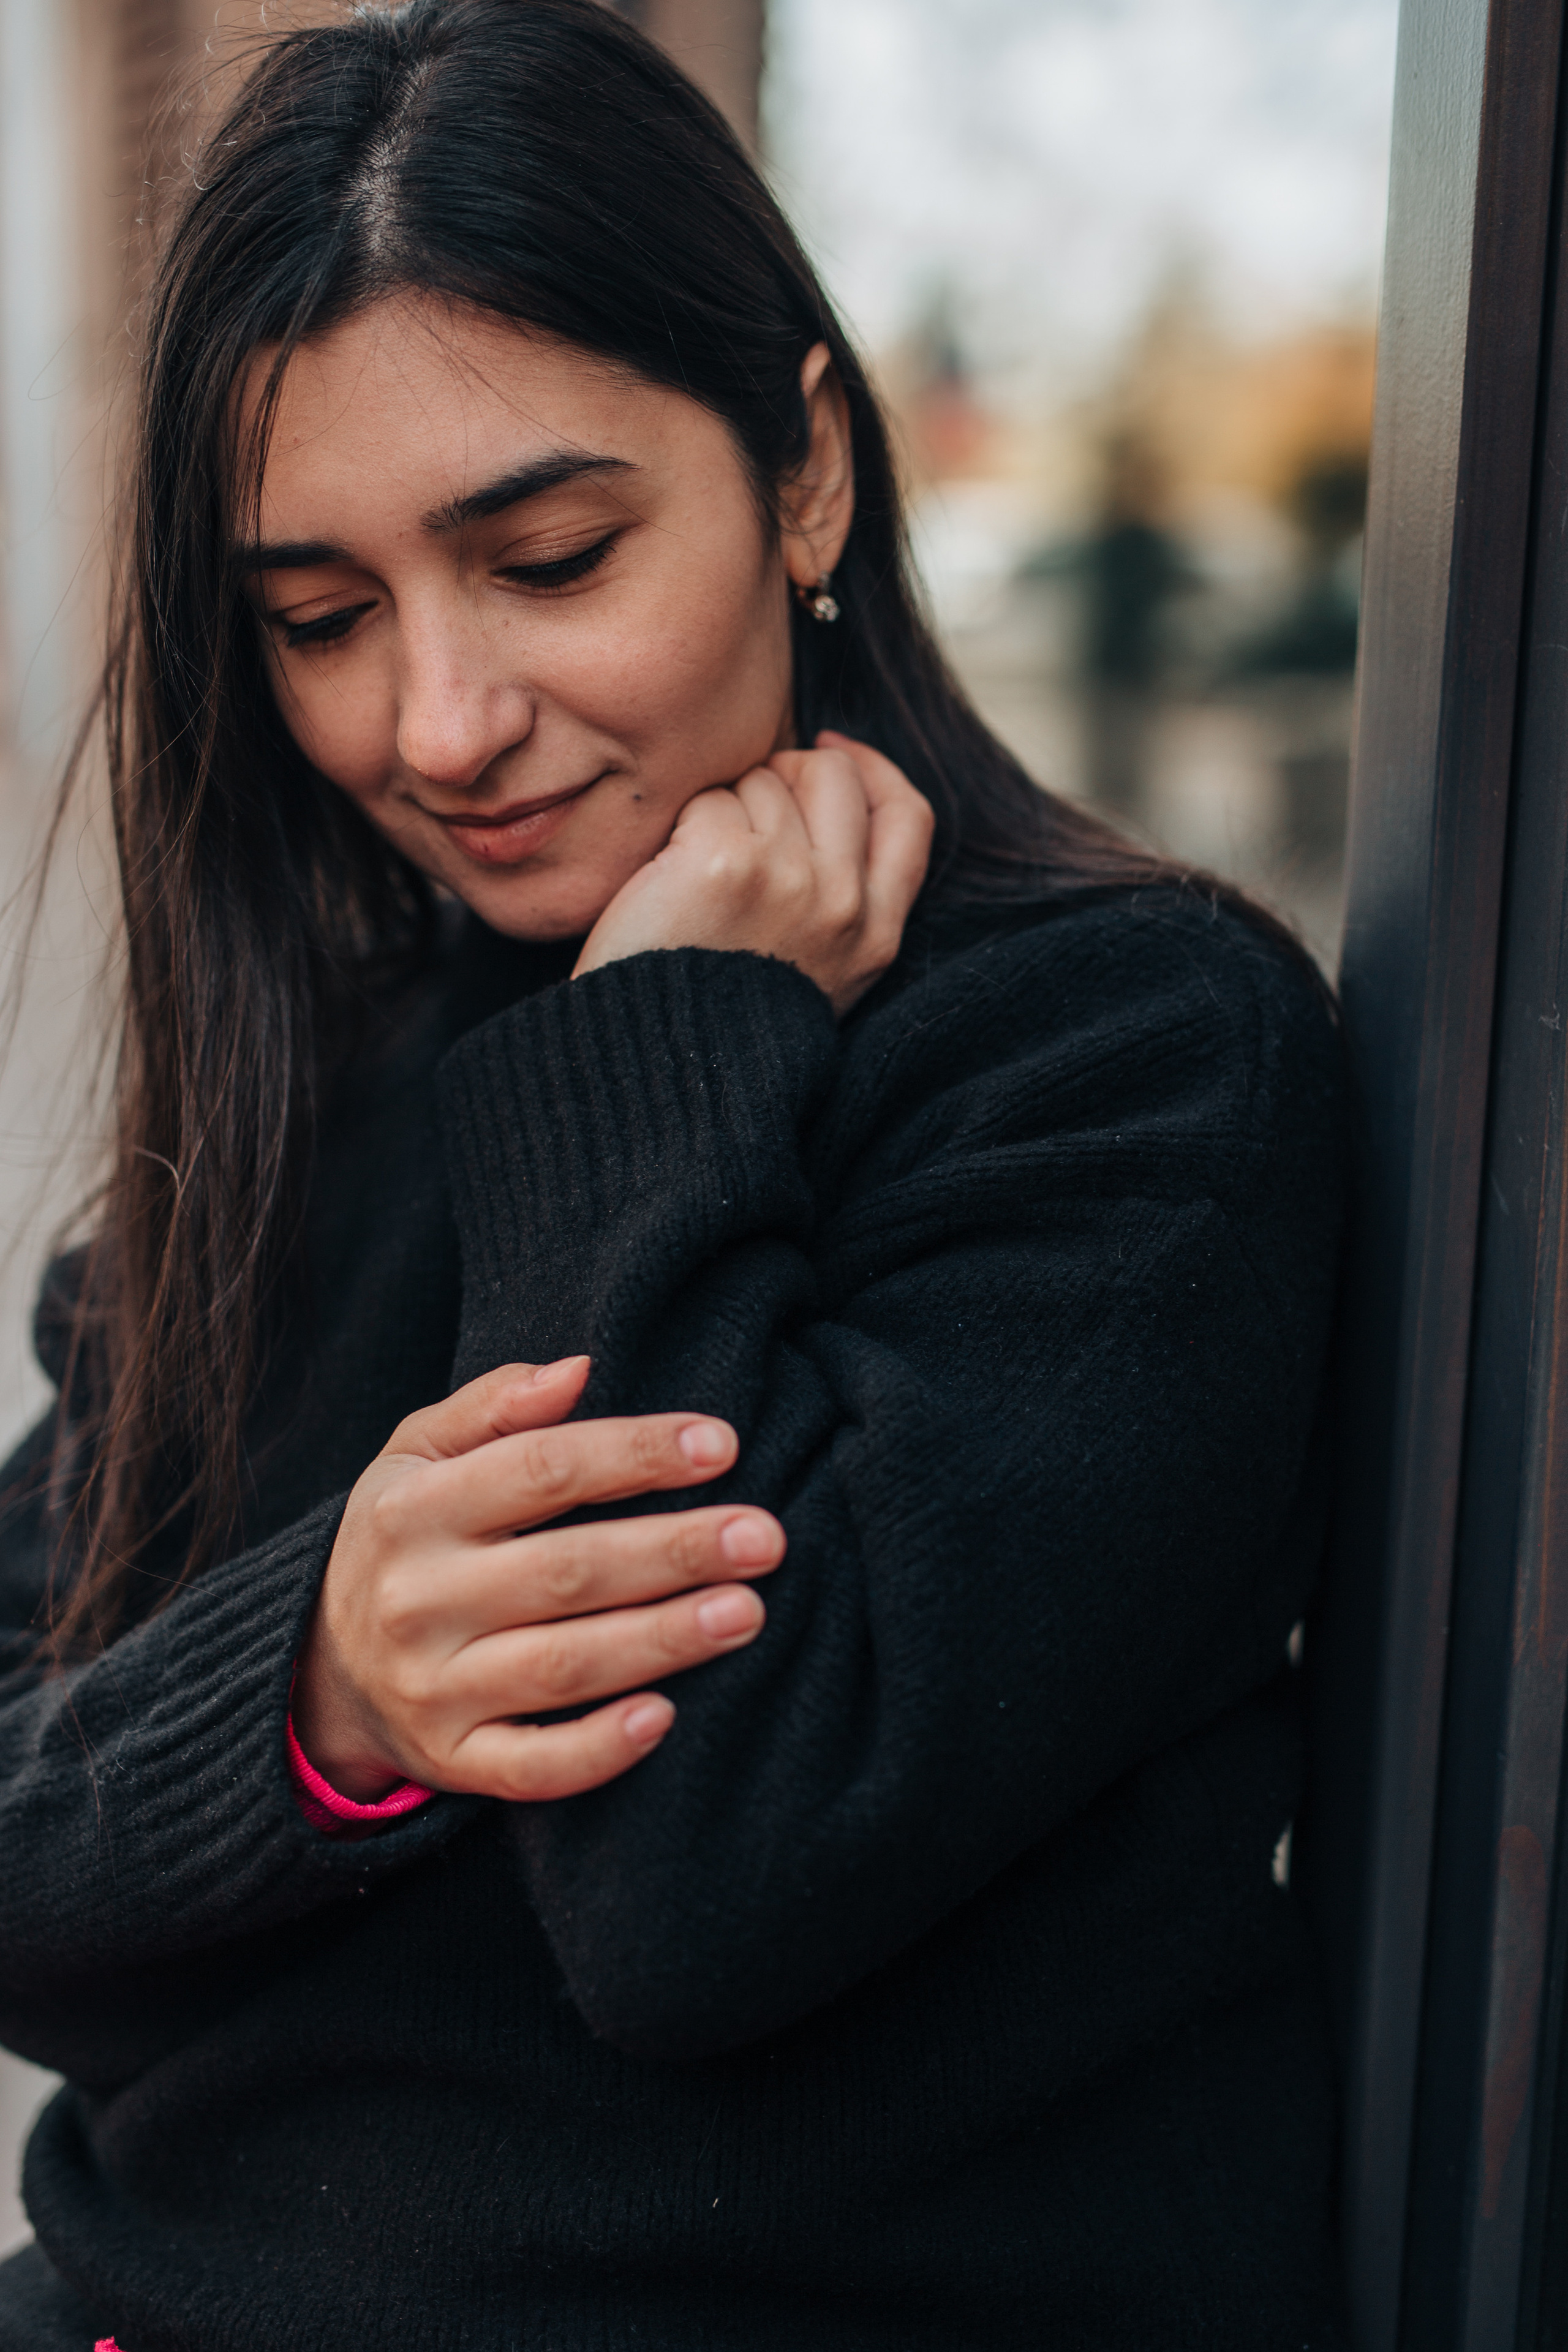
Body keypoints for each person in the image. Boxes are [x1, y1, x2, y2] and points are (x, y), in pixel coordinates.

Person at [0, 4, 1348, 2345]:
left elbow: (704, 1884)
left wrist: (665, 1047)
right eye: (319, 617)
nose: (438, 721)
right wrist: (318, 1694)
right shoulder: (325, 1075)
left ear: (804, 471)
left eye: (548, 556)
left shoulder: (1134, 1056)